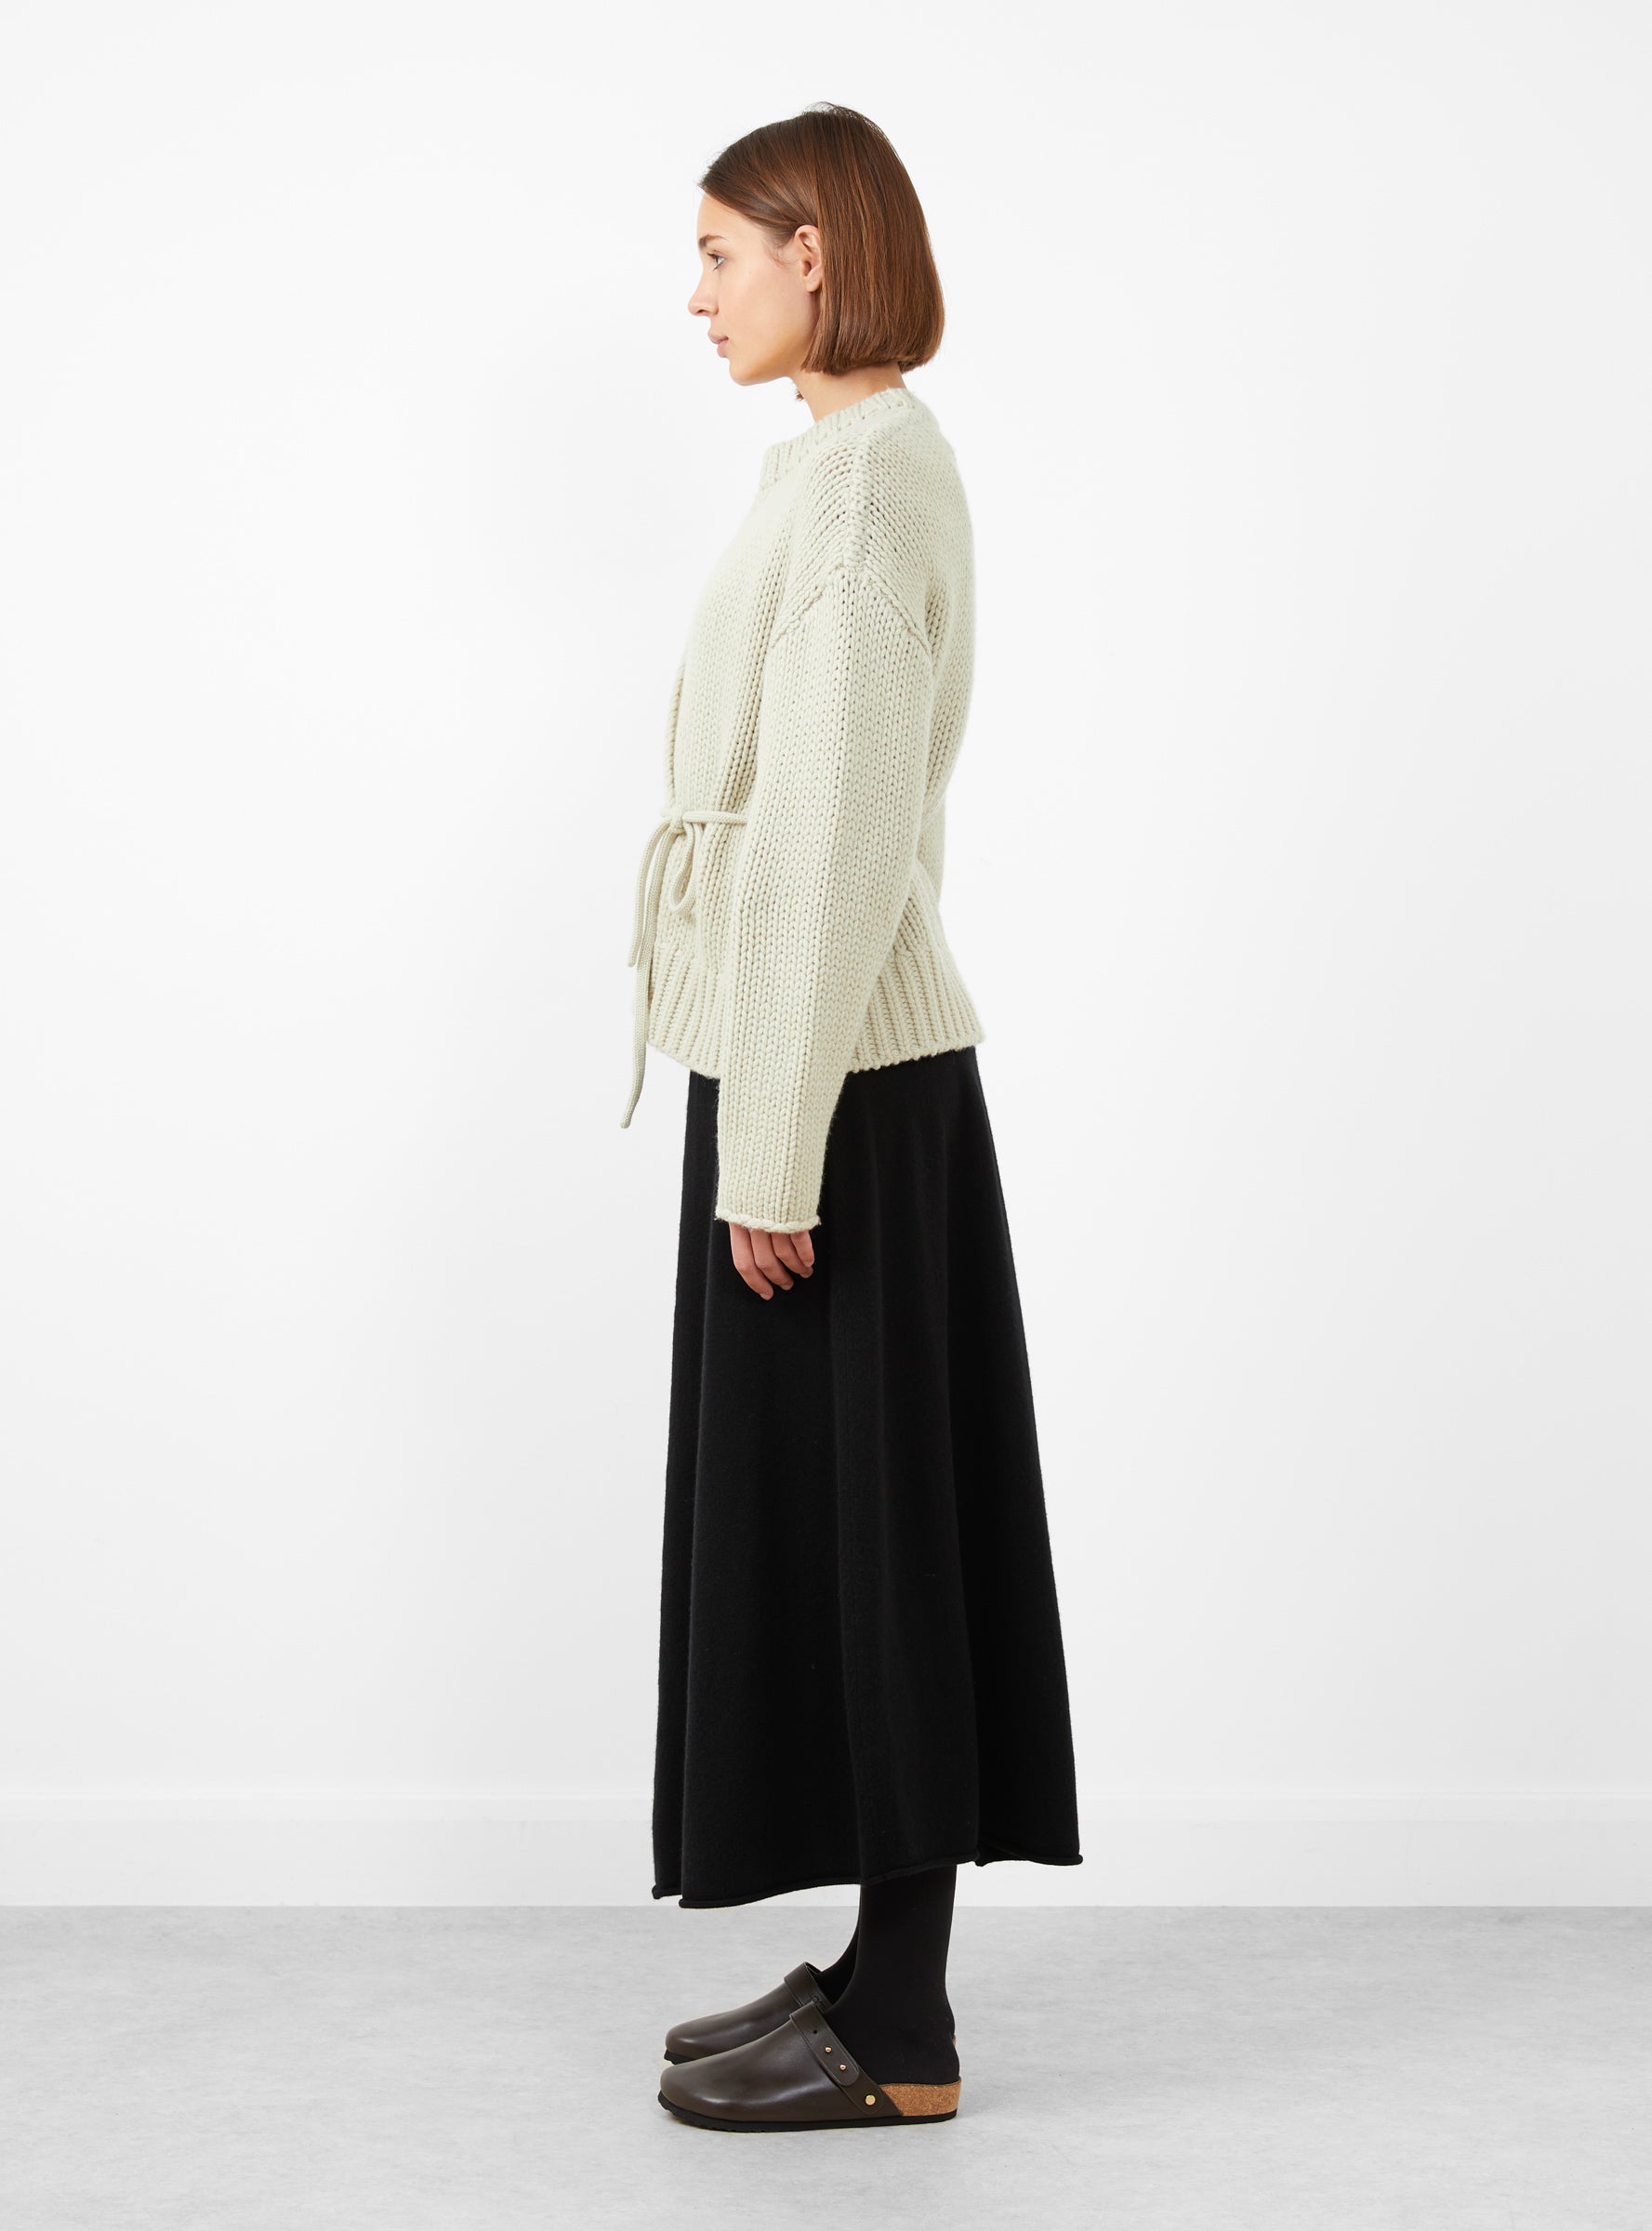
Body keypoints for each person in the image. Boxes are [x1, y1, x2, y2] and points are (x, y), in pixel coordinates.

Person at [622, 102, 1083, 2133]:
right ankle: (880, 1974)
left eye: (721, 252)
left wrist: (774, 1149)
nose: (696, 293)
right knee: (842, 1536)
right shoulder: (831, 466)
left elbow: (826, 834)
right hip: (810, 1062)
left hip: (844, 1089)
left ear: (816, 255)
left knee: (885, 1549)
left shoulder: (870, 489)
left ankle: (903, 2027)